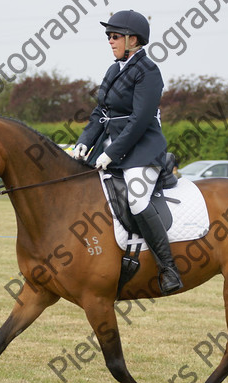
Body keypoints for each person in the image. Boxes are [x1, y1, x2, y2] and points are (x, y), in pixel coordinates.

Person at [72, 10, 182, 295]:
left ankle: (168, 268)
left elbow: (141, 119)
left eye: (115, 36)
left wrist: (113, 153)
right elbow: (101, 112)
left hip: (142, 151)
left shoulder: (148, 71)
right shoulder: (113, 70)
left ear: (133, 40)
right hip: (111, 147)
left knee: (136, 199)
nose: (110, 40)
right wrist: (85, 141)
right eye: (108, 36)